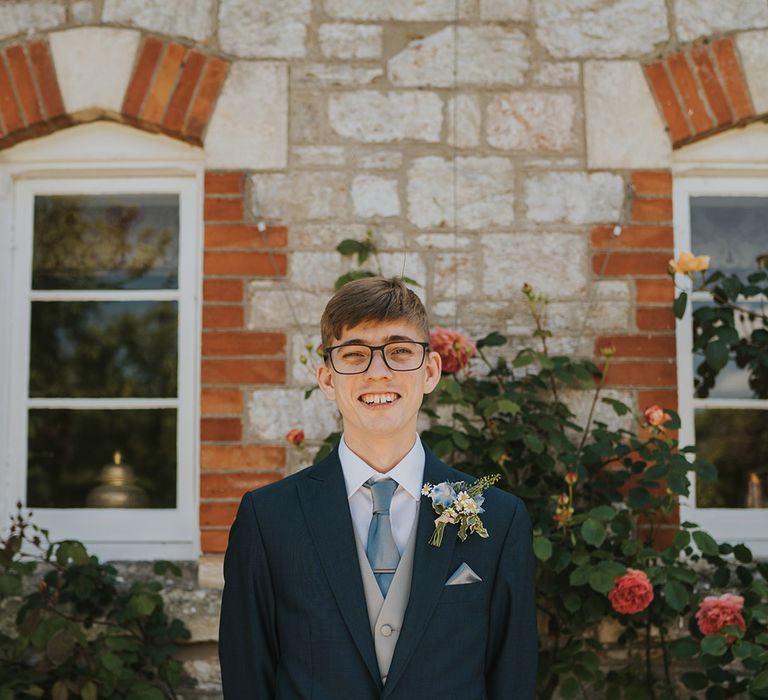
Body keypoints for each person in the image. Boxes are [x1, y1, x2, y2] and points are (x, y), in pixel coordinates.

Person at [218, 277, 538, 699]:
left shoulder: (498, 517)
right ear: (327, 379)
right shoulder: (268, 519)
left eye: (399, 351)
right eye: (354, 355)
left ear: (430, 371)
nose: (378, 372)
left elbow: (511, 678)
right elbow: (248, 678)